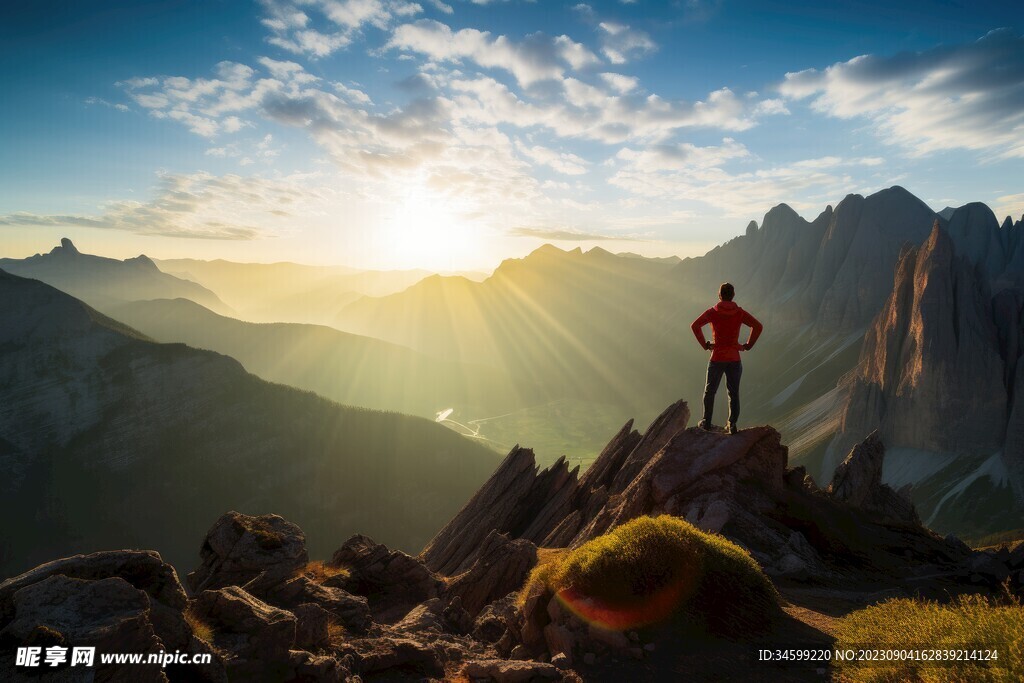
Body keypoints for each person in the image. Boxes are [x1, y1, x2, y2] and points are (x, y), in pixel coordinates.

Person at [690, 282, 763, 434]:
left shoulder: (712, 312)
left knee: (710, 391)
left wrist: (705, 344)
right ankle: (732, 425)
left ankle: (706, 422)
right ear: (733, 295)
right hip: (734, 358)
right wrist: (748, 345)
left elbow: (695, 326)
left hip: (717, 357)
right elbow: (758, 326)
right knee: (733, 393)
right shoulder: (740, 313)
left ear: (719, 295)